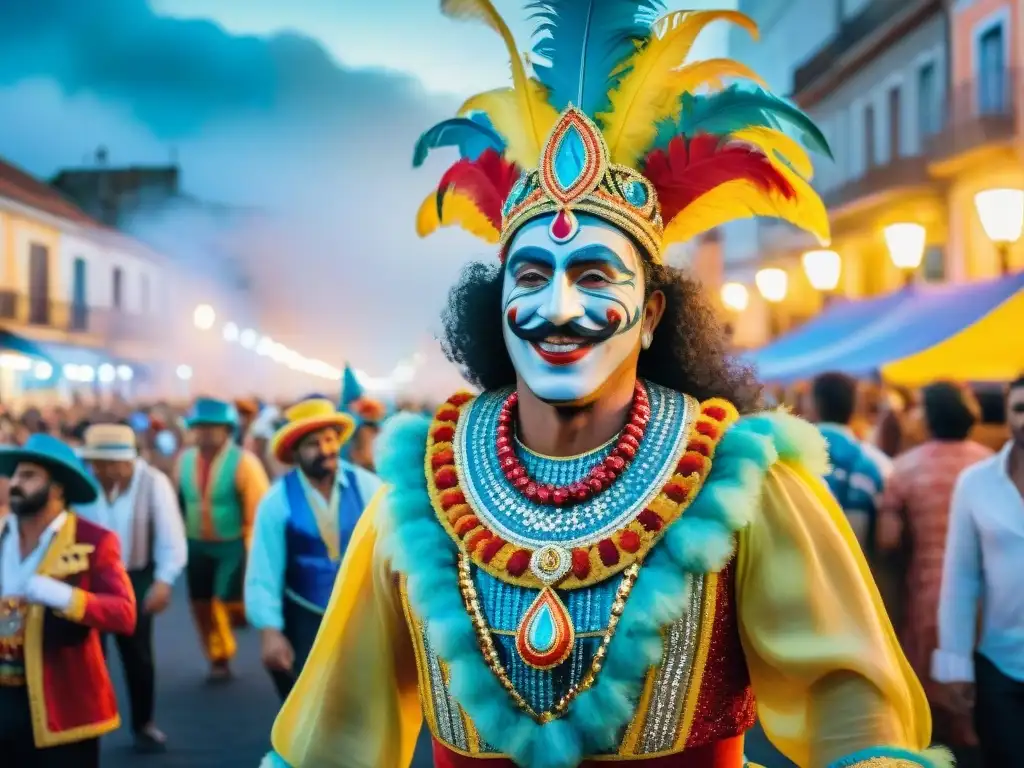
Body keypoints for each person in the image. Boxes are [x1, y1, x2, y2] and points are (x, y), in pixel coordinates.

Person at [265, 5, 943, 768]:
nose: (557, 308)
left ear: (652, 313)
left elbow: (856, 722)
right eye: (532, 276)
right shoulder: (419, 493)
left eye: (594, 276)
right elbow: (335, 734)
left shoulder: (747, 482)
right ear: (499, 306)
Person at [0, 433, 136, 767]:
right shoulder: (2, 534)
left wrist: (67, 597)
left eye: (29, 476)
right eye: (16, 475)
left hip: (63, 701)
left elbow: (124, 614)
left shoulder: (94, 541)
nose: (16, 483)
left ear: (57, 488)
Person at [244, 398, 383, 701]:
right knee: (308, 710)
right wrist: (270, 631)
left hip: (363, 615)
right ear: (295, 453)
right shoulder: (276, 500)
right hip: (303, 618)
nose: (325, 450)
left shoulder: (369, 486)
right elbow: (263, 572)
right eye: (313, 444)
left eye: (330, 439)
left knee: (365, 707)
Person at [877, 383, 991, 748]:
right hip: (990, 599)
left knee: (933, 716)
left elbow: (887, 540)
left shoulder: (904, 469)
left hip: (929, 596)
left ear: (927, 417)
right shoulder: (993, 464)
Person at [76, 423, 189, 753]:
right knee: (88, 655)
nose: (98, 470)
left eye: (104, 464)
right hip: (87, 579)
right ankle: (87, 723)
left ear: (124, 463)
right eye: (94, 463)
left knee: (137, 655)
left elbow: (171, 537)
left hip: (133, 578)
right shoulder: (84, 484)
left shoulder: (154, 483)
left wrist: (164, 581)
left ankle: (144, 723)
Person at [934, 374, 1024, 765]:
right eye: (1020, 408)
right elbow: (960, 578)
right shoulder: (976, 483)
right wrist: (954, 664)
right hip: (999, 668)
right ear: (1006, 415)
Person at [175, 397, 269, 682]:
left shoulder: (245, 462)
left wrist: (253, 550)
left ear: (227, 430)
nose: (205, 433)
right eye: (200, 427)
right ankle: (217, 655)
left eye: (213, 428)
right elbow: (178, 501)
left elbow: (257, 508)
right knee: (200, 602)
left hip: (231, 544)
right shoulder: (184, 460)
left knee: (221, 599)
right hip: (196, 543)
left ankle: (225, 646)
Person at [805, 372, 893, 555]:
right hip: (858, 575)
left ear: (812, 405)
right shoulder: (878, 463)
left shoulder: (788, 459)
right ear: (855, 408)